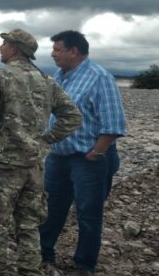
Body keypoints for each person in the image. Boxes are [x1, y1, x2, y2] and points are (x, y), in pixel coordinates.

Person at [0, 29, 82, 275]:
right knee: (29, 226)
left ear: (14, 48)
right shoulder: (47, 81)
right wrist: (45, 140)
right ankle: (29, 271)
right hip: (33, 166)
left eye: (4, 44)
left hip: (2, 165)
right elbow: (73, 116)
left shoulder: (0, 76)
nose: (0, 48)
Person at [39, 30, 127, 276]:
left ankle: (84, 265)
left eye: (57, 49)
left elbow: (114, 124)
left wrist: (96, 154)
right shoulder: (59, 77)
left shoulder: (99, 78)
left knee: (88, 214)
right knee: (49, 209)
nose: (53, 54)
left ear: (74, 51)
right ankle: (42, 254)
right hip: (58, 157)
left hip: (88, 159)